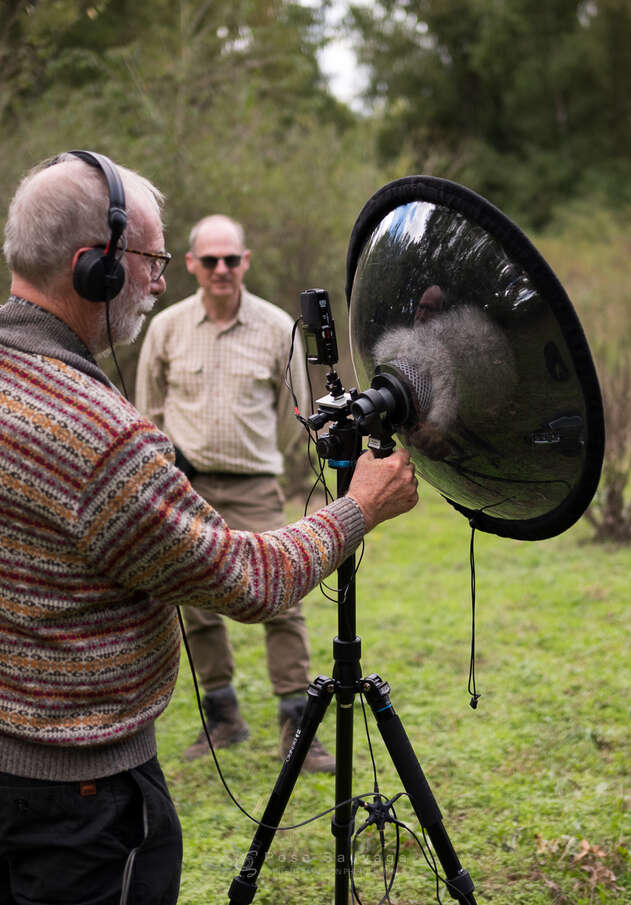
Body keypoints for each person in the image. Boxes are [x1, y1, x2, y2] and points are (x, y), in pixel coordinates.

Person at [0, 151, 418, 905]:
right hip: (81, 796)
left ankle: (294, 716)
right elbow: (250, 579)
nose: (162, 279)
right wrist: (361, 506)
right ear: (93, 265)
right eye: (153, 259)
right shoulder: (104, 440)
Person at [135, 215, 334, 772]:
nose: (221, 269)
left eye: (231, 260)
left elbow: (294, 410)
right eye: (210, 260)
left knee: (283, 599)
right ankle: (222, 718)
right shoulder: (167, 328)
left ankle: (298, 725)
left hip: (255, 486)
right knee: (195, 605)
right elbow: (149, 409)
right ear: (192, 264)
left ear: (245, 262)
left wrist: (256, 459)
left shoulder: (276, 327)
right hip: (184, 486)